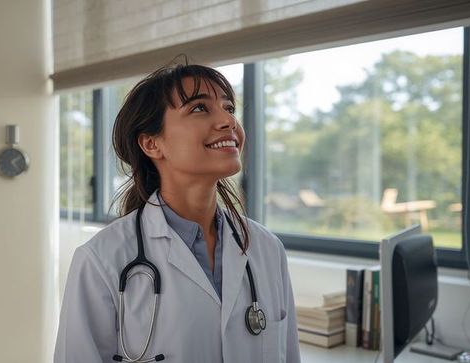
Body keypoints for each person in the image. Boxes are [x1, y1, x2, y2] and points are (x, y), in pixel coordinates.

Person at [54, 60, 301, 363]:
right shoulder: (101, 259)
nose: (227, 121)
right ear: (151, 143)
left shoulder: (266, 248)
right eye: (200, 108)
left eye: (229, 108)